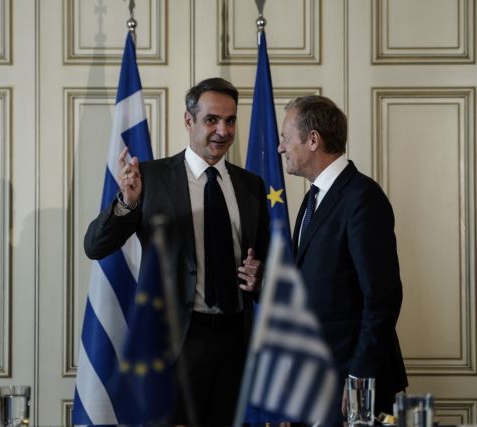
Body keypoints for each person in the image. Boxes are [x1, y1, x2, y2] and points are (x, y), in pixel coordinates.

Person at [84, 77, 270, 426]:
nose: (222, 131)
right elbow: (96, 246)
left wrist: (260, 277)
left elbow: (265, 263)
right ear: (189, 120)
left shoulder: (251, 186)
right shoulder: (150, 178)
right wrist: (126, 203)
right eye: (212, 120)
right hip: (172, 347)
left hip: (235, 344)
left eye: (230, 120)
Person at [278, 95, 408, 423]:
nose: (280, 148)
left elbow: (382, 297)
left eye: (285, 138)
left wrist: (359, 379)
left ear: (313, 140)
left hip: (351, 383)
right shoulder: (313, 198)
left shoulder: (362, 198)